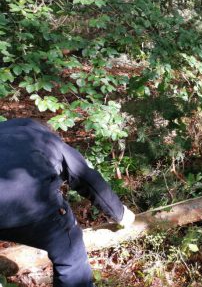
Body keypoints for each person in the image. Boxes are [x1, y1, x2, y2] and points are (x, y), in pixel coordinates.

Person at [0, 118, 135, 287]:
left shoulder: (7, 130)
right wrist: (120, 213)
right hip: (31, 207)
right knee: (71, 256)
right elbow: (86, 178)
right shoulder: (46, 139)